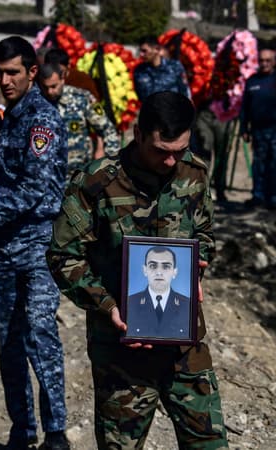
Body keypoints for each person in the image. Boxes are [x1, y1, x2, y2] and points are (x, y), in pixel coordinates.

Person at [47, 91, 228, 449]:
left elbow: (204, 232)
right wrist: (108, 305)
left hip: (182, 342)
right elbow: (62, 256)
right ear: (138, 134)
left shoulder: (194, 172)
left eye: (180, 149)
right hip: (120, 348)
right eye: (162, 150)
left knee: (208, 442)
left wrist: (197, 266)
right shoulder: (96, 182)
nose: (171, 160)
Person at [0, 36, 70, 450]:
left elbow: (32, 192)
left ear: (32, 73)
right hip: (2, 248)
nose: (4, 81)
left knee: (40, 334)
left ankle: (56, 433)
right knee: (8, 341)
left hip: (37, 246)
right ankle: (21, 431)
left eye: (13, 73)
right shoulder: (7, 116)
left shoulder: (41, 120)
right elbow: (1, 184)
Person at [36, 62, 120, 177]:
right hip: (47, 176)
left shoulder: (81, 98)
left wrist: (108, 165)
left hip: (78, 175)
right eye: (45, 87)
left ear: (63, 79)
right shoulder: (36, 101)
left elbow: (108, 130)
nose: (50, 92)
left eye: (53, 86)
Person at [239, 46, 276, 209]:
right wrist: (244, 128)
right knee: (259, 164)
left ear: (274, 62)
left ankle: (275, 198)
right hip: (258, 131)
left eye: (268, 60)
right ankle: (258, 196)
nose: (264, 63)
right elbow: (245, 107)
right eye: (261, 60)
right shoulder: (252, 81)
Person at [126, 246, 191, 338]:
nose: (159, 272)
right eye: (153, 266)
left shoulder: (188, 305)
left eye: (166, 267)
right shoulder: (129, 303)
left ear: (174, 272)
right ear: (145, 270)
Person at [132, 36, 190, 101]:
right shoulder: (139, 71)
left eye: (144, 51)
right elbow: (139, 96)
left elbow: (185, 92)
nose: (141, 54)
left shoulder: (174, 66)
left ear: (156, 49)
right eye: (140, 51)